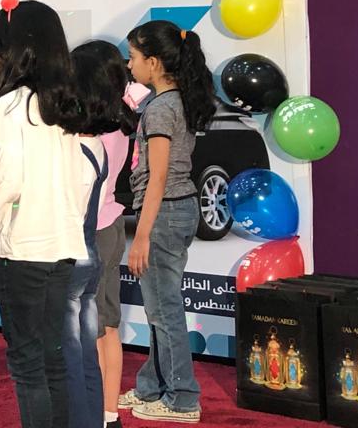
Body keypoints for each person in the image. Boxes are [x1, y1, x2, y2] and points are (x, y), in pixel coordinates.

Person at [0, 0, 91, 428]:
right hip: (61, 245)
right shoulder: (65, 103)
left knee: (27, 364)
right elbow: (81, 180)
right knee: (51, 359)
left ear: (11, 52)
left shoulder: (12, 105)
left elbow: (4, 186)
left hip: (22, 250)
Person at [118, 21, 216, 425]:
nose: (129, 65)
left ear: (154, 62)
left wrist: (141, 235)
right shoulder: (174, 101)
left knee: (164, 310)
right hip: (178, 208)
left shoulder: (161, 108)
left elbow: (157, 177)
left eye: (133, 57)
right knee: (161, 306)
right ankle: (152, 386)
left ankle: (182, 399)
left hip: (165, 212)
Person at [71, 41, 147, 428]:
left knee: (94, 330)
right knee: (109, 328)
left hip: (93, 228)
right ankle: (109, 413)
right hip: (111, 224)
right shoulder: (121, 116)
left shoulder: (94, 128)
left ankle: (98, 413)